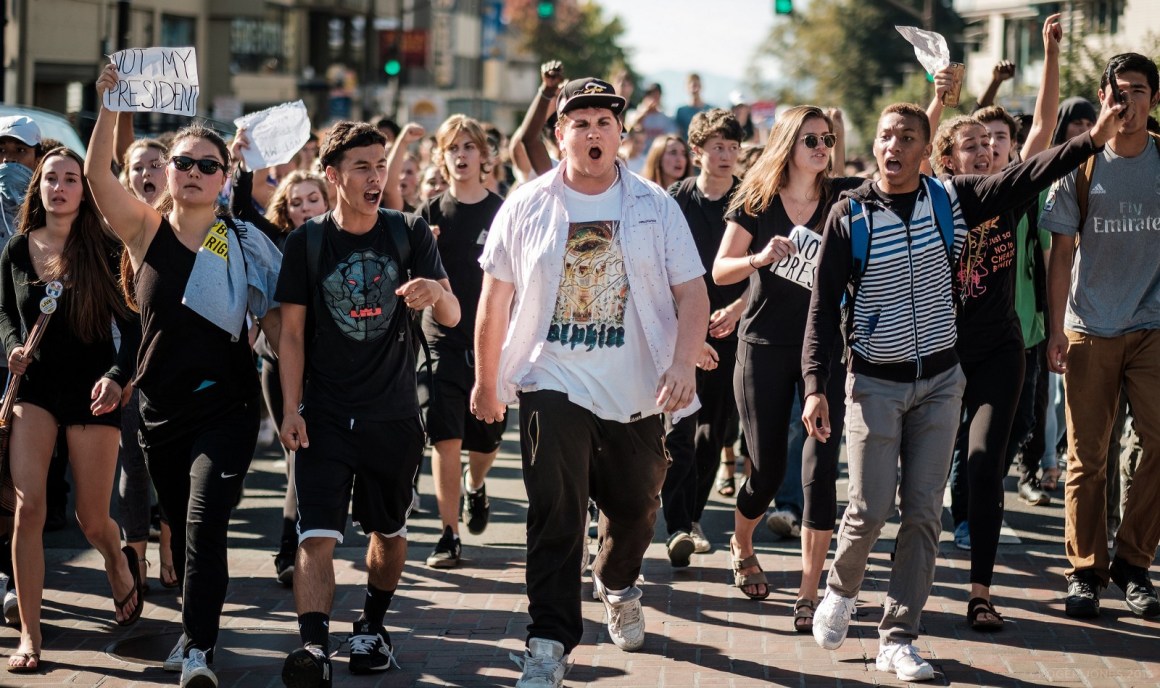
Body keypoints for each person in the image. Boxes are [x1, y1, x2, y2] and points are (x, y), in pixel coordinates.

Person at [801, 97, 1117, 681]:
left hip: (942, 382)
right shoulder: (850, 215)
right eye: (885, 136)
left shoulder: (953, 200)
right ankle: (840, 589)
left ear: (926, 153)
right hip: (874, 383)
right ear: (875, 146)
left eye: (905, 138)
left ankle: (899, 635)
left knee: (923, 513)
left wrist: (1092, 140)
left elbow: (1031, 171)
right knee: (869, 508)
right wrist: (816, 385)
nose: (893, 146)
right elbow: (822, 313)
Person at [471, 77, 708, 688]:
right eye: (580, 122)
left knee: (636, 510)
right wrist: (485, 381)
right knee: (556, 511)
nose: (593, 132)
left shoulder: (655, 204)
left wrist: (682, 364)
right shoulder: (526, 204)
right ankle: (548, 640)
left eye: (605, 121)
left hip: (638, 392)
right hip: (551, 379)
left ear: (620, 133)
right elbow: (494, 299)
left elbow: (692, 293)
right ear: (559, 134)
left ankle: (618, 579)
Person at [87, 62, 284, 688]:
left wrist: (297, 404)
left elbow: (281, 330)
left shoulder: (243, 240)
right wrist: (111, 102)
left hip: (225, 408)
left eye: (208, 165)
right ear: (165, 172)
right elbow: (97, 175)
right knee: (178, 528)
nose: (194, 173)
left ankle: (198, 649)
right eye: (183, 162)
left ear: (226, 178)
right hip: (157, 415)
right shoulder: (144, 232)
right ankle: (190, 632)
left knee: (204, 524)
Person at [275, 121, 458, 685]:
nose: (376, 176)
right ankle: (313, 647)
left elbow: (451, 316)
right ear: (332, 176)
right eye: (362, 167)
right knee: (317, 535)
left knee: (389, 531)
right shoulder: (306, 243)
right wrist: (289, 409)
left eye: (381, 166)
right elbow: (292, 335)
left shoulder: (408, 233)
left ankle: (372, 627)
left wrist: (437, 294)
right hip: (325, 414)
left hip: (392, 414)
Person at [0, 146, 142, 673]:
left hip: (91, 390)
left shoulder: (104, 248)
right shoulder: (17, 248)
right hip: (34, 391)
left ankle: (117, 562)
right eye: (50, 179)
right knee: (28, 508)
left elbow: (132, 326)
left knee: (91, 519)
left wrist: (116, 376)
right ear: (37, 187)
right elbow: (2, 311)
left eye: (70, 179)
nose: (59, 187)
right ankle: (31, 638)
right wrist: (12, 345)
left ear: (85, 189)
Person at [712, 107, 856, 625]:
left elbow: (905, 161)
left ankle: (809, 593)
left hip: (824, 351)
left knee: (820, 469)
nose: (821, 146)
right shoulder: (757, 201)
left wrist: (936, 103)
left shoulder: (845, 197)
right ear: (788, 145)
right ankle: (742, 540)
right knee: (768, 469)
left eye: (828, 138)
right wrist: (758, 259)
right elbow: (721, 269)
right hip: (764, 346)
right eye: (811, 139)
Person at [1041, 52, 1160, 620]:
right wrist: (1058, 327)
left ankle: (1134, 563)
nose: (1127, 101)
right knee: (1088, 457)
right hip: (1090, 327)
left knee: (1159, 444)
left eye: (1138, 90)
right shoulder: (1081, 166)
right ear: (1105, 96)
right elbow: (1061, 254)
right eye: (1118, 91)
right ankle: (1085, 571)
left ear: (1153, 100)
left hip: (1153, 326)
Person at [232, 136, 332, 586]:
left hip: (326, 365)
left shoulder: (344, 240)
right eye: (297, 202)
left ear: (328, 200)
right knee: (296, 453)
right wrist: (245, 160)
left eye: (314, 199)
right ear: (286, 209)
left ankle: (304, 543)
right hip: (276, 358)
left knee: (311, 457)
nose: (306, 207)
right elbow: (239, 210)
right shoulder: (276, 240)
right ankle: (288, 552)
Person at [419, 114, 507, 569]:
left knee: (486, 439)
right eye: (452, 148)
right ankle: (448, 534)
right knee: (445, 437)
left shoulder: (503, 209)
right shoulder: (429, 215)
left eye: (468, 147)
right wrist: (423, 248)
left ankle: (477, 485)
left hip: (492, 338)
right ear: (442, 156)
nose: (460, 155)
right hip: (441, 341)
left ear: (483, 156)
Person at [659, 108, 746, 566]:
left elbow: (765, 266)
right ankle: (676, 526)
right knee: (680, 430)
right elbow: (659, 269)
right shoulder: (677, 199)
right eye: (718, 147)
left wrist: (738, 307)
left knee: (714, 431)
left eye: (733, 147)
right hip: (683, 333)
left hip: (733, 331)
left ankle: (693, 519)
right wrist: (689, 335)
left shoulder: (749, 199)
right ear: (698, 152)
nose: (727, 155)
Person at [675, 73, 711, 139]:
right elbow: (678, 133)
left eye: (696, 85)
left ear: (701, 87)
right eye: (691, 86)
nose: (694, 89)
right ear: (686, 88)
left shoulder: (710, 110)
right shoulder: (681, 111)